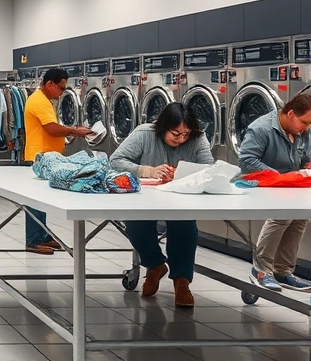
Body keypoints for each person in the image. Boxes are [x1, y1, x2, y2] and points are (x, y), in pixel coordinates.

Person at [110, 103, 214, 307]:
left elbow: (209, 168)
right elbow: (115, 160)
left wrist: (184, 173)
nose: (181, 138)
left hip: (181, 197)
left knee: (184, 226)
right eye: (176, 134)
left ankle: (182, 281)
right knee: (136, 224)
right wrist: (146, 170)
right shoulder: (144, 134)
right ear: (162, 127)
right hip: (144, 197)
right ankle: (155, 264)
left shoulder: (198, 138)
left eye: (186, 134)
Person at [239, 93, 311, 292]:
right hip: (259, 184)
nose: (306, 127)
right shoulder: (261, 128)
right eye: (304, 122)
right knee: (282, 216)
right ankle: (261, 270)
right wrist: (279, 177)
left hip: (289, 185)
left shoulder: (303, 130)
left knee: (300, 217)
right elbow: (247, 161)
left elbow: (306, 156)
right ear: (290, 114)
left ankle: (283, 271)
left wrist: (306, 167)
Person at [23, 68, 93, 255]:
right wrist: (76, 131)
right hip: (41, 155)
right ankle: (33, 240)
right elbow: (52, 129)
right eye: (61, 88)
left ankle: (42, 235)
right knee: (36, 200)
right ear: (50, 84)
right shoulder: (39, 101)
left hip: (46, 155)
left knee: (41, 199)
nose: (62, 92)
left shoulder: (43, 100)